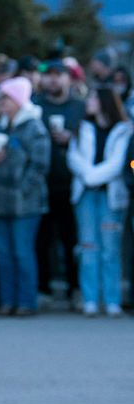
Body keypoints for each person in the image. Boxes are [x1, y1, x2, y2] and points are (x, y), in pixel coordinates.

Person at [0, 78, 50, 316]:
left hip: (26, 204)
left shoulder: (34, 128)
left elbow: (40, 165)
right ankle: (7, 300)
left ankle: (26, 301)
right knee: (3, 254)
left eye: (6, 98)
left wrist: (23, 190)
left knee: (22, 252)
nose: (2, 103)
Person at [67, 88, 133, 317]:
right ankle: (90, 299)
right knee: (88, 247)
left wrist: (91, 176)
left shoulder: (124, 130)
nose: (89, 102)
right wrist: (88, 176)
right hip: (85, 196)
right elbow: (73, 157)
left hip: (111, 196)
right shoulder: (82, 127)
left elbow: (117, 163)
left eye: (93, 98)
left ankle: (112, 300)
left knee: (110, 249)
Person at [33, 59, 83, 303]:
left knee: (72, 239)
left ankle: (75, 288)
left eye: (58, 74)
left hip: (73, 185)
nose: (53, 79)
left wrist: (72, 138)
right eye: (49, 75)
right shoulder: (35, 106)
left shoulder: (80, 107)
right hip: (41, 184)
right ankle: (43, 289)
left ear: (68, 78)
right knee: (41, 240)